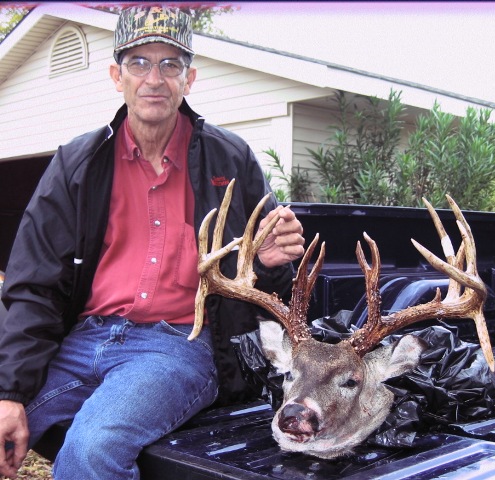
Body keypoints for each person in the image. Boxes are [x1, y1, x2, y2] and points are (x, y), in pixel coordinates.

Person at [0, 5, 305, 479]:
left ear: (190, 78)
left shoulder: (232, 159)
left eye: (170, 64)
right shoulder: (77, 163)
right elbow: (33, 285)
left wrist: (267, 262)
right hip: (84, 338)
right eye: (139, 62)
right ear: (115, 74)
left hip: (178, 345)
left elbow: (272, 292)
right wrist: (10, 392)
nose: (154, 78)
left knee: (92, 449)